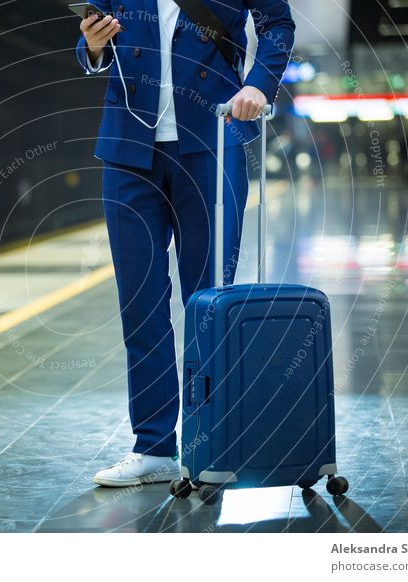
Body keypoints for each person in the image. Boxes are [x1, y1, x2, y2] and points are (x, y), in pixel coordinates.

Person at [76, 0, 295, 487]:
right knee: (140, 304)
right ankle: (153, 447)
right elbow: (92, 34)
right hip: (129, 148)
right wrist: (92, 47)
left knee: (209, 301)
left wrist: (258, 82)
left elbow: (277, 22)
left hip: (213, 138)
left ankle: (209, 443)